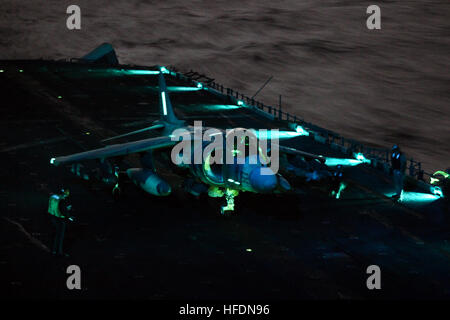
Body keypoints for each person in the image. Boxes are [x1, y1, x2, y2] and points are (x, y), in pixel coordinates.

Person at [48, 188, 73, 257]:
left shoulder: (53, 196)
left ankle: (53, 250)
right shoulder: (62, 200)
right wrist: (69, 217)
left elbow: (54, 206)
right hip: (59, 219)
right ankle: (59, 252)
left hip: (52, 217)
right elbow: (62, 210)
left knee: (55, 235)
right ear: (65, 194)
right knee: (60, 236)